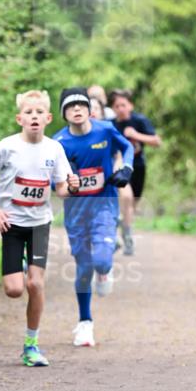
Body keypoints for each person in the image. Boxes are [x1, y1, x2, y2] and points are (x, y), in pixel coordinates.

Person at [0, 90, 79, 367]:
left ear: (48, 118)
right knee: (13, 290)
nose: (34, 117)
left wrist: (71, 187)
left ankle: (31, 344)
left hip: (39, 223)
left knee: (35, 283)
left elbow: (61, 189)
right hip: (11, 222)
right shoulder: (7, 146)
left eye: (39, 113)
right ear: (20, 118)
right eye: (29, 113)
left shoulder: (54, 149)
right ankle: (19, 263)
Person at [53, 87, 134, 348]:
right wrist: (68, 186)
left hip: (104, 205)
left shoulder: (105, 130)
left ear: (90, 109)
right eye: (70, 107)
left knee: (100, 261)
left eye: (81, 105)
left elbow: (127, 146)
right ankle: (85, 322)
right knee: (84, 267)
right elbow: (58, 187)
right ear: (63, 113)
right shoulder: (59, 144)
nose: (76, 110)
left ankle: (105, 271)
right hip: (76, 212)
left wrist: (126, 169)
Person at [109, 88, 161, 255]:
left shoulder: (140, 121)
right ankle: (125, 238)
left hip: (138, 166)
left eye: (123, 105)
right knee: (126, 197)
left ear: (130, 105)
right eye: (116, 106)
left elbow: (156, 141)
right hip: (121, 167)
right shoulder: (111, 125)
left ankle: (123, 232)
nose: (120, 108)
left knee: (131, 206)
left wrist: (136, 135)